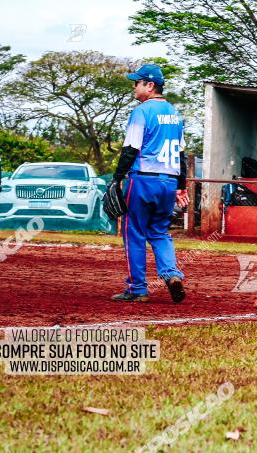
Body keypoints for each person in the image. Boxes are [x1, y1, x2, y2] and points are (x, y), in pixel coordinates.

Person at [110, 63, 187, 303]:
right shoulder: (175, 114)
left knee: (133, 233)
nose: (134, 87)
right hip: (169, 182)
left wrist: (116, 178)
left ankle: (137, 288)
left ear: (150, 85)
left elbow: (130, 148)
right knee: (159, 232)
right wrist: (181, 185)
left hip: (143, 180)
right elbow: (182, 154)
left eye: (137, 82)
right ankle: (172, 274)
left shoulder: (141, 112)